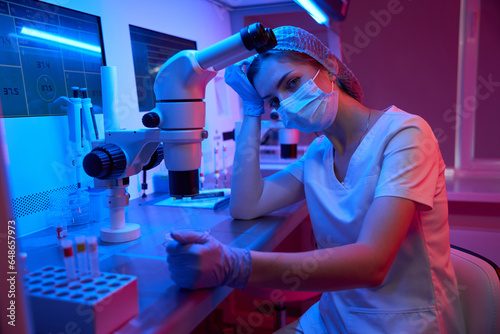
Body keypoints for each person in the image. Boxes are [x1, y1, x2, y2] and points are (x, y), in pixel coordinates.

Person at [166, 26, 466, 333]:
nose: (286, 104)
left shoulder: (405, 135)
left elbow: (372, 264)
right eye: (274, 101)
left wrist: (236, 267)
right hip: (335, 316)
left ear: (330, 66)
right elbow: (246, 205)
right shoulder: (319, 153)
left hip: (403, 323)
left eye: (292, 83)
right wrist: (252, 111)